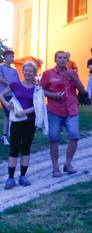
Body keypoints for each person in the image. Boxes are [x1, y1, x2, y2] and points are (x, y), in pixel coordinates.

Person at [0, 61, 48, 189]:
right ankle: (10, 178)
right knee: (14, 147)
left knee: (26, 147)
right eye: (26, 70)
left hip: (29, 121)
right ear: (23, 72)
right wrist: (6, 104)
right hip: (16, 120)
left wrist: (24, 112)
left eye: (30, 71)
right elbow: (2, 94)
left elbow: (39, 107)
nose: (27, 73)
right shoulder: (15, 85)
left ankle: (22, 176)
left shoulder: (37, 89)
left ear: (34, 73)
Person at [41, 50, 86, 177]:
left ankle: (68, 164)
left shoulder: (72, 73)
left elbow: (81, 89)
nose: (62, 59)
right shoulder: (48, 74)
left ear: (67, 60)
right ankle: (55, 167)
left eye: (64, 58)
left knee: (74, 136)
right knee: (54, 139)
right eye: (59, 57)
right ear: (55, 60)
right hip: (54, 110)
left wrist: (72, 78)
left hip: (71, 110)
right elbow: (41, 91)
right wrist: (53, 95)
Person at [0, 50, 20, 146]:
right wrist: (11, 85)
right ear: (5, 57)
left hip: (14, 96)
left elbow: (18, 82)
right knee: (9, 114)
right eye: (10, 56)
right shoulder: (1, 67)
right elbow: (0, 78)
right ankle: (6, 136)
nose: (12, 58)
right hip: (4, 95)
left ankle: (7, 136)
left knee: (10, 115)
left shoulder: (14, 70)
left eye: (13, 56)